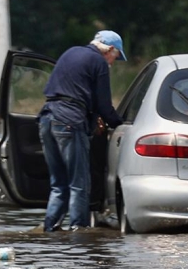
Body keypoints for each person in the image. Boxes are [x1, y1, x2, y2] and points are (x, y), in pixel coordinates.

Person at [38, 30, 127, 231]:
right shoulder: (99, 63)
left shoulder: (70, 53)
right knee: (79, 184)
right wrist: (119, 123)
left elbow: (76, 91)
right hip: (70, 121)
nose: (114, 62)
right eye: (116, 56)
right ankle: (80, 234)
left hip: (46, 118)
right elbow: (104, 104)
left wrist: (95, 117)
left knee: (58, 183)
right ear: (109, 49)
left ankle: (50, 230)